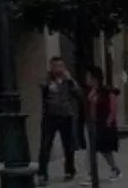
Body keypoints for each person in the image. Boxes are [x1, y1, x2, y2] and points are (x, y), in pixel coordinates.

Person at [37, 57, 82, 186]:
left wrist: (71, 80)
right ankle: (42, 173)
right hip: (50, 116)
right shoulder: (48, 80)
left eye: (60, 66)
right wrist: (48, 82)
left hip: (66, 116)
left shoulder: (68, 81)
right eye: (55, 66)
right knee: (45, 145)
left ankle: (69, 170)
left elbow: (79, 94)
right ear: (51, 67)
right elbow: (41, 85)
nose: (58, 69)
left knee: (69, 145)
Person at [81, 66, 121, 186]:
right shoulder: (89, 92)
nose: (86, 79)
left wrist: (109, 120)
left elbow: (113, 107)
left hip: (105, 124)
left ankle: (114, 169)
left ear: (95, 78)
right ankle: (92, 174)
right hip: (94, 125)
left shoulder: (107, 91)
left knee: (105, 150)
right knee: (92, 151)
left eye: (88, 77)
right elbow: (91, 112)